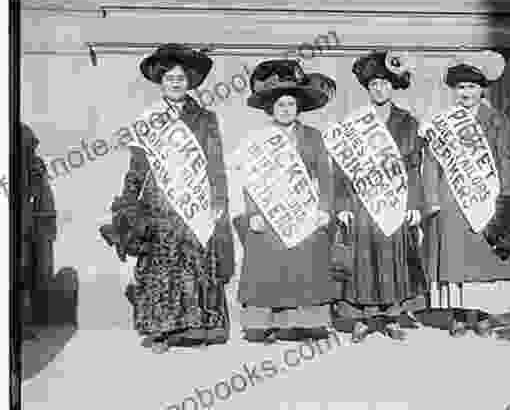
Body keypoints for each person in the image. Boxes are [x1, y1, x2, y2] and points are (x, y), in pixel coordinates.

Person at [109, 43, 235, 353]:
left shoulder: (206, 118)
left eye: (180, 78)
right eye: (169, 79)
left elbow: (215, 163)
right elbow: (137, 166)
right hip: (159, 203)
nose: (175, 83)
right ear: (161, 83)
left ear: (189, 82)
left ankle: (196, 329)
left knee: (195, 265)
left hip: (195, 201)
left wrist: (219, 200)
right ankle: (162, 331)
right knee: (162, 267)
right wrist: (128, 200)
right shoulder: (148, 119)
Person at [421, 50, 510, 336]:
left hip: (486, 200)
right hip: (450, 200)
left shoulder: (496, 121)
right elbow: (431, 162)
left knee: (483, 260)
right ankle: (457, 316)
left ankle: (480, 316)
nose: (466, 92)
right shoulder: (442, 122)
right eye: (461, 87)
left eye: (472, 87)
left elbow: (504, 160)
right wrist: (431, 199)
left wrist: (505, 198)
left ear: (482, 90)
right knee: (455, 262)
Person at [236, 59, 339, 344]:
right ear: (270, 108)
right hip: (269, 213)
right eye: (280, 105)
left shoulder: (313, 137)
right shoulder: (258, 138)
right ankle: (267, 324)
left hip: (304, 211)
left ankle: (305, 324)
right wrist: (253, 213)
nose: (285, 110)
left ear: (299, 108)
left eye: (291, 105)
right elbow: (250, 179)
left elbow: (325, 176)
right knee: (270, 265)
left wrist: (324, 210)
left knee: (305, 264)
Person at [332, 50, 426, 343]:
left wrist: (413, 205)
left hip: (395, 200)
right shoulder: (355, 122)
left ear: (393, 86)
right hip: (361, 201)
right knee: (363, 258)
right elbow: (341, 167)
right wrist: (343, 204)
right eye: (374, 84)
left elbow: (414, 166)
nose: (379, 89)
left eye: (385, 83)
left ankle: (391, 314)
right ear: (367, 88)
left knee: (390, 256)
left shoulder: (407, 122)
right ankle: (362, 317)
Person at [19, 123, 57, 341]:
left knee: (27, 273)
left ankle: (23, 324)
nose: (31, 151)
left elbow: (43, 196)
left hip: (29, 226)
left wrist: (46, 224)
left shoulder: (35, 166)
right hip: (24, 223)